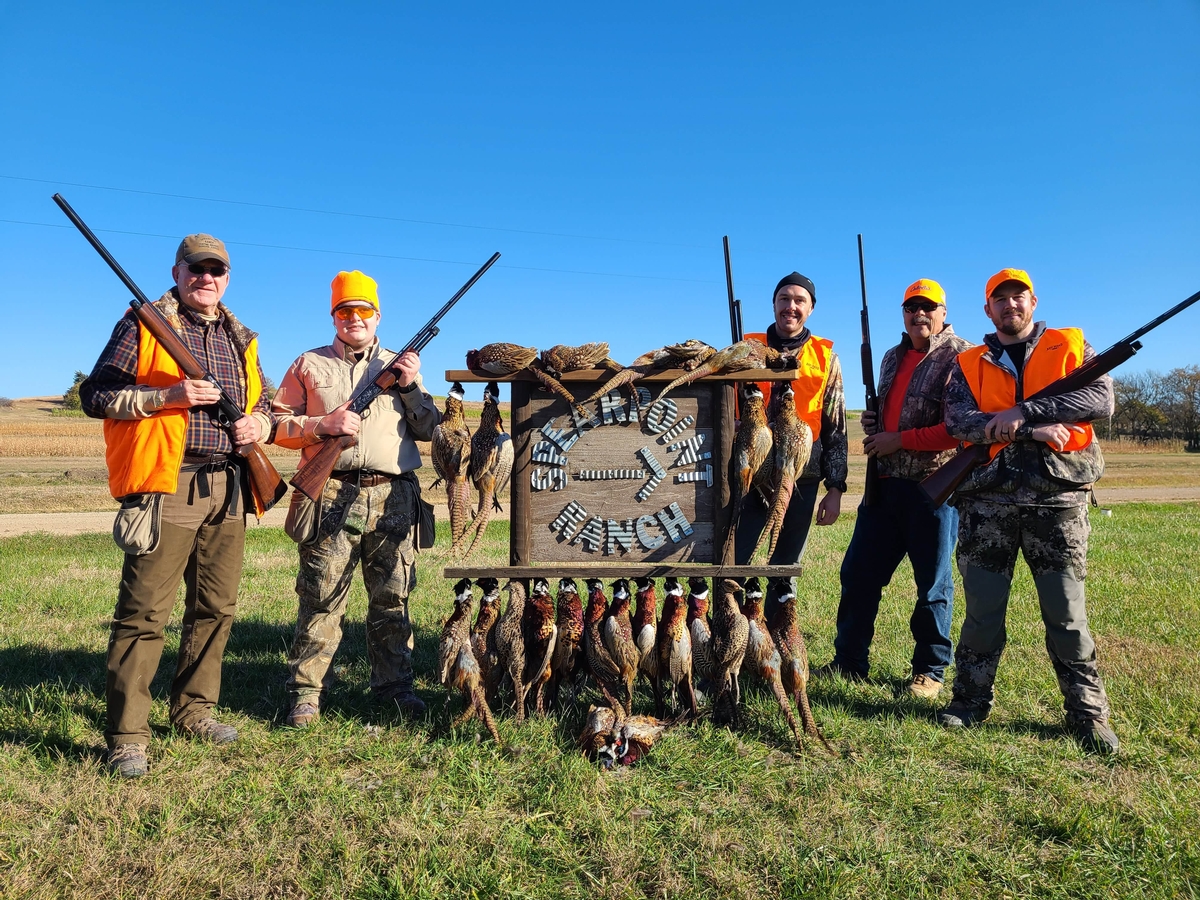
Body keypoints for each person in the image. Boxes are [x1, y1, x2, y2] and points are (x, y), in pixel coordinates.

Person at [81, 234, 274, 778]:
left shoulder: (242, 338)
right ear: (178, 271)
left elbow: (265, 402)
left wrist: (259, 422)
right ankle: (128, 736)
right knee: (144, 613)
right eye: (196, 269)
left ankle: (194, 710)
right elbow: (95, 396)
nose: (205, 278)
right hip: (168, 483)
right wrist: (166, 397)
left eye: (216, 270)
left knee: (216, 608)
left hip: (229, 486)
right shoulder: (143, 325)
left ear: (227, 279)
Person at [938, 268, 1118, 754]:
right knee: (982, 612)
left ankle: (1087, 713)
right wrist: (1025, 430)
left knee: (1066, 612)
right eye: (1001, 299)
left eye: (1019, 297)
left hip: (1058, 501)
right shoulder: (969, 360)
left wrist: (1028, 411)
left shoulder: (1070, 346)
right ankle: (969, 702)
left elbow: (1101, 399)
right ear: (987, 309)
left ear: (1033, 302)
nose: (1010, 306)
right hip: (987, 502)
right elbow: (959, 421)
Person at [272, 270, 439, 728]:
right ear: (334, 316)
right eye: (345, 310)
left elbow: (429, 429)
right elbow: (276, 426)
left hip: (395, 497)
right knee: (321, 597)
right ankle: (305, 696)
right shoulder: (309, 364)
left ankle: (395, 689)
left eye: (363, 310)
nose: (354, 318)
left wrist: (409, 386)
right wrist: (321, 426)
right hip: (330, 492)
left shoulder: (401, 368)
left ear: (377, 315)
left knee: (393, 599)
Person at [817, 279, 972, 697]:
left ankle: (931, 670)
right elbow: (892, 413)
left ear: (943, 312)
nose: (918, 314)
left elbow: (959, 429)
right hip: (883, 485)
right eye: (910, 307)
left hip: (934, 489)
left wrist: (898, 439)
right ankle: (849, 661)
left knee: (933, 584)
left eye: (928, 306)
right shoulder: (890, 356)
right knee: (858, 576)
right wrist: (877, 423)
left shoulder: (964, 356)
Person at [734, 272, 848, 565]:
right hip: (749, 473)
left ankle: (780, 611)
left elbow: (836, 428)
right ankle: (730, 611)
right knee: (734, 561)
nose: (791, 306)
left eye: (800, 300)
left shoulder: (826, 358)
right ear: (773, 303)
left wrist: (835, 488)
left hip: (799, 477)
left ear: (810, 308)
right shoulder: (745, 350)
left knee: (785, 569)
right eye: (784, 298)